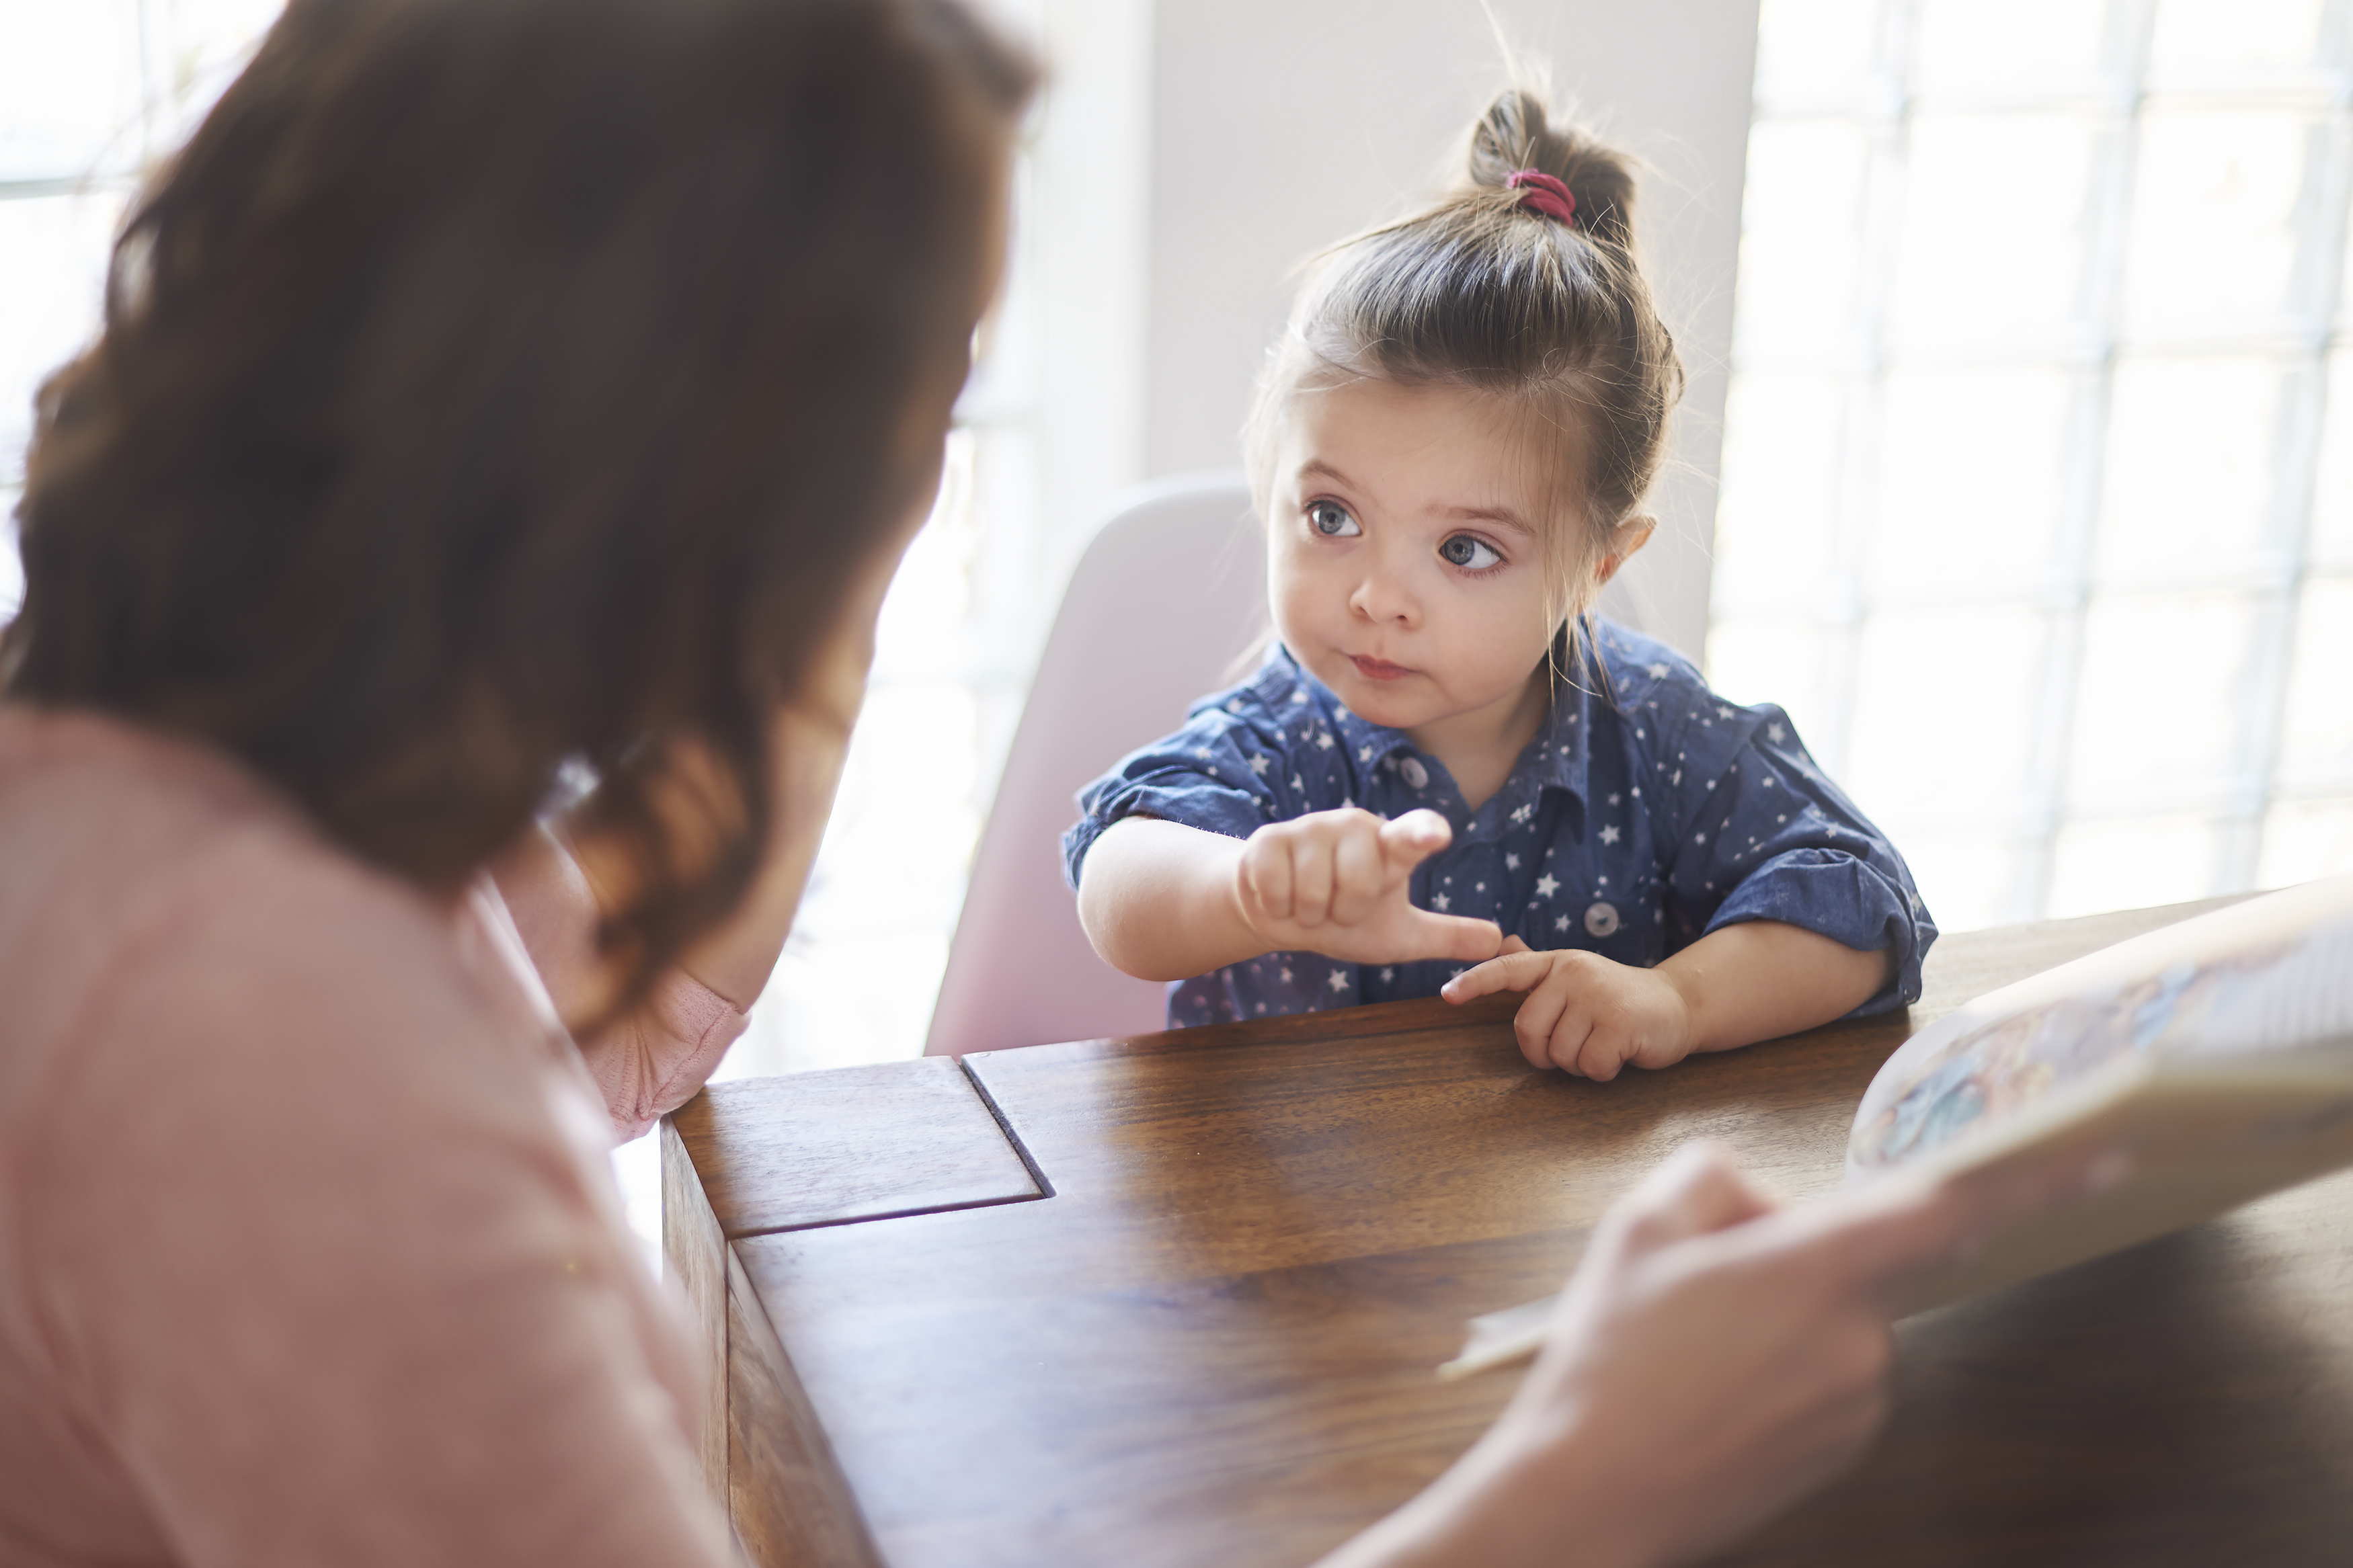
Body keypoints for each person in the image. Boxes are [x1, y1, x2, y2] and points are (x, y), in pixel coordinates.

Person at [0, 5, 2087, 1564]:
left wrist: (806, 635)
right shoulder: (237, 1029)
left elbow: (594, 1033)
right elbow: (1116, 871)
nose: (914, 496)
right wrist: (1586, 1482)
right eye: (900, 419)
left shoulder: (235, 785)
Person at [1066, 93, 1933, 1082]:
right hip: (1276, 1219)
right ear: (1273, 491)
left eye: (1465, 549)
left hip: (1565, 1223)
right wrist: (1249, 890)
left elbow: (1864, 903)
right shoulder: (1280, 739)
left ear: (1596, 567)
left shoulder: (1659, 733)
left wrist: (1680, 998)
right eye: (1333, 518)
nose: (1378, 597)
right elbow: (1115, 881)